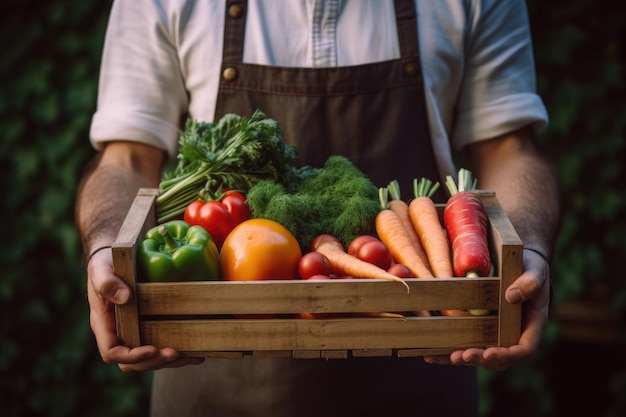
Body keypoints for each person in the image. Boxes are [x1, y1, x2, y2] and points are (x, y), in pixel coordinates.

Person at [75, 1, 560, 416]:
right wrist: (105, 250)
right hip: (213, 379)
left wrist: (530, 250)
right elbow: (128, 158)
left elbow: (509, 148)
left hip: (425, 365)